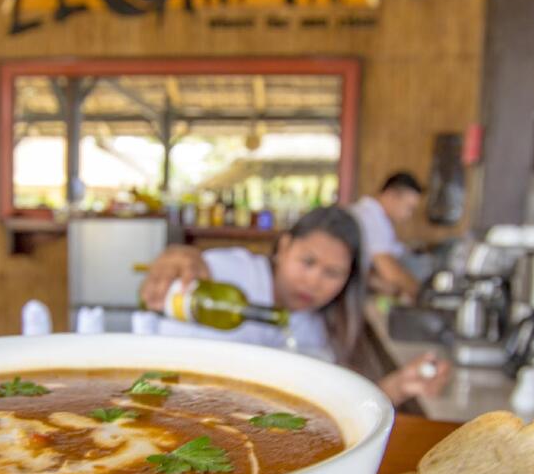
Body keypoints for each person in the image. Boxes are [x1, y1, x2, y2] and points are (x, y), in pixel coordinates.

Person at [140, 206, 450, 406]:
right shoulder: (229, 273)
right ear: (284, 247)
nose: (314, 281)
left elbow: (328, 404)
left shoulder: (316, 332)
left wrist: (398, 386)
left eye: (332, 273)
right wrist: (176, 259)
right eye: (308, 262)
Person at [349, 171, 423, 301]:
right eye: (409, 208)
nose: (409, 215)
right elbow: (388, 269)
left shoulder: (380, 219)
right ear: (391, 195)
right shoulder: (371, 218)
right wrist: (420, 293)